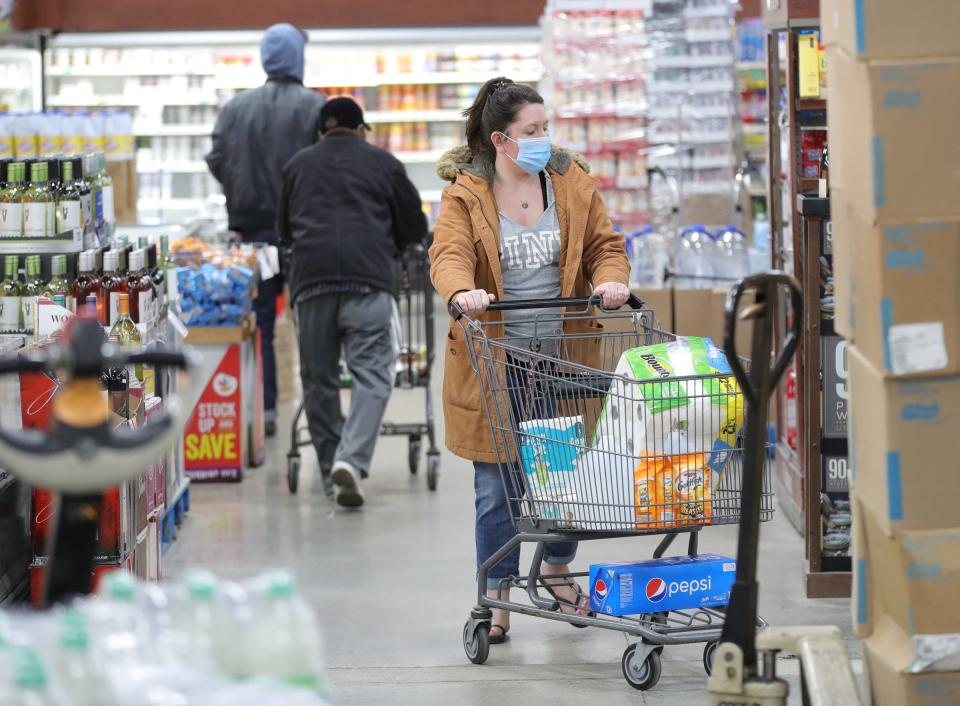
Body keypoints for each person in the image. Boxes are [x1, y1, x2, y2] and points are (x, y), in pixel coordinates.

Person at [429, 77, 630, 644]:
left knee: (563, 476)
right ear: (500, 139)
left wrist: (612, 281)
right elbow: (448, 254)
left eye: (546, 128)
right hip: (493, 360)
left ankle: (559, 567)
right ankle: (496, 596)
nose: (544, 139)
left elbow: (603, 246)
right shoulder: (466, 193)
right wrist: (461, 292)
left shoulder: (571, 183)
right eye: (532, 131)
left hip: (563, 357)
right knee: (496, 483)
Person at [278, 97, 427, 508]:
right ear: (361, 129)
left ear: (321, 131)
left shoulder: (297, 166)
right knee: (374, 375)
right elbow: (414, 225)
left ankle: (330, 473)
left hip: (312, 284)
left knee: (318, 380)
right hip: (369, 281)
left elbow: (284, 231)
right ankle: (351, 458)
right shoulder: (384, 164)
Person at [205, 23, 325, 437]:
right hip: (304, 233)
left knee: (260, 324)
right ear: (298, 58)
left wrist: (239, 190)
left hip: (253, 234)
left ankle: (266, 410)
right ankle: (320, 408)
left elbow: (216, 157)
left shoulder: (236, 108)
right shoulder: (314, 106)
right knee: (312, 318)